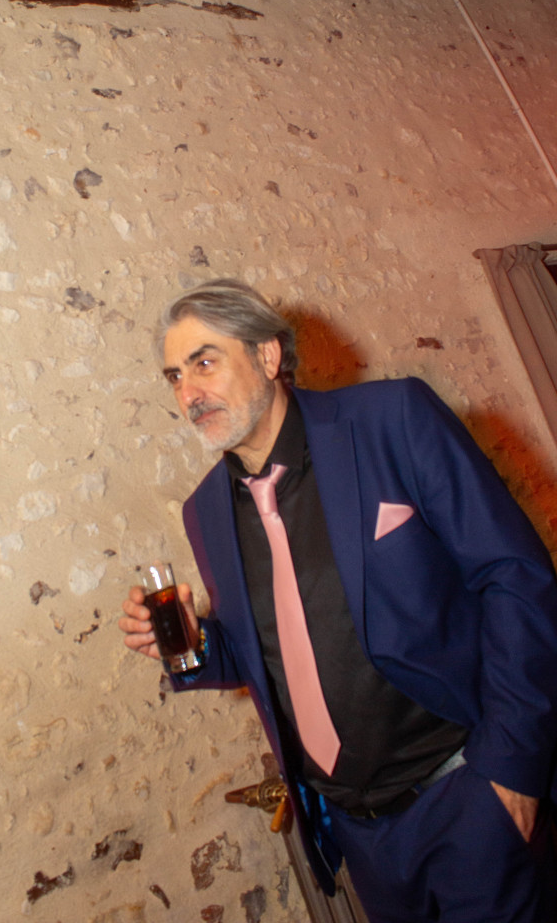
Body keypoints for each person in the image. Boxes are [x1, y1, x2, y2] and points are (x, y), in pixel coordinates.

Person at [119, 278, 557, 922]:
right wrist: (197, 643)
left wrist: (512, 770)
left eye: (204, 362)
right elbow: (271, 654)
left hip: (467, 794)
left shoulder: (392, 420)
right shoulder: (205, 512)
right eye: (174, 377)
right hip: (364, 842)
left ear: (268, 356)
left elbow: (515, 577)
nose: (189, 393)